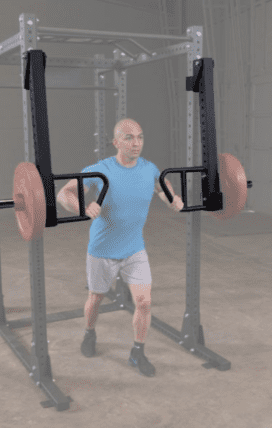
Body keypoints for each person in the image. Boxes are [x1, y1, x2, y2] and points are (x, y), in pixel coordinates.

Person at [56, 118, 184, 377]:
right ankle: (89, 334)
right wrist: (81, 206)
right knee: (96, 299)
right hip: (102, 250)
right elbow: (64, 193)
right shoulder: (100, 169)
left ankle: (138, 352)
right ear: (116, 142)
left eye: (139, 137)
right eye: (128, 137)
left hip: (135, 249)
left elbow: (163, 185)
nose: (136, 143)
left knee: (144, 302)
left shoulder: (149, 169)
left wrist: (172, 198)